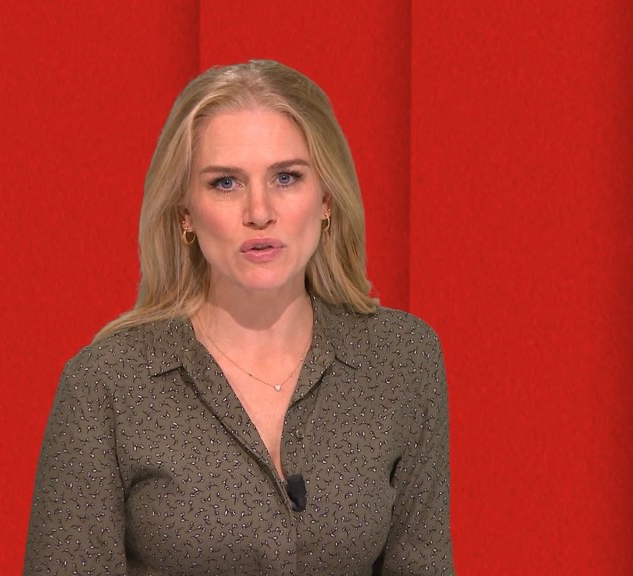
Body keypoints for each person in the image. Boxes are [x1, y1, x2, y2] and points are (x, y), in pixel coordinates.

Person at [24, 59, 454, 575]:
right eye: (225, 183)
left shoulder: (401, 359)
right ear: (185, 212)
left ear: (326, 199)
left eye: (286, 177)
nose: (259, 211)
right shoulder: (107, 384)